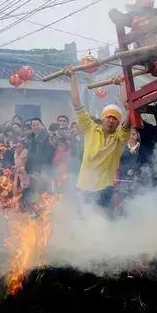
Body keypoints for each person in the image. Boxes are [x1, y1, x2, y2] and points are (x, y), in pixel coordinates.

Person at [65, 66, 131, 210]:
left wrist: (122, 85)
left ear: (118, 122)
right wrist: (72, 77)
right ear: (103, 118)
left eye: (115, 118)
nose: (111, 120)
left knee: (100, 223)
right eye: (109, 117)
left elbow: (130, 110)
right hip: (83, 186)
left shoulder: (120, 137)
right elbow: (77, 104)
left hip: (104, 188)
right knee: (80, 221)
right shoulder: (90, 128)